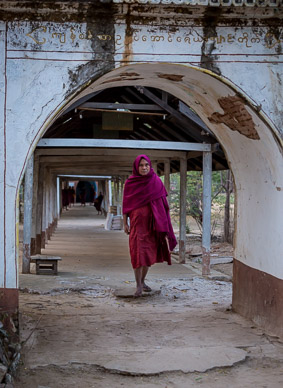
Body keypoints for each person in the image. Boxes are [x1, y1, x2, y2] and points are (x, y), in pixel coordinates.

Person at [123, 154, 177, 297]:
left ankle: (143, 281)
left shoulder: (156, 181)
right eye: (141, 165)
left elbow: (163, 204)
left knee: (148, 255)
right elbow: (126, 205)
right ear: (136, 167)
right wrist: (125, 223)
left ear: (150, 166)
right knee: (137, 254)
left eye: (146, 165)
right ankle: (138, 285)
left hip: (152, 225)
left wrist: (163, 222)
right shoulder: (130, 183)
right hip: (136, 225)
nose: (144, 167)